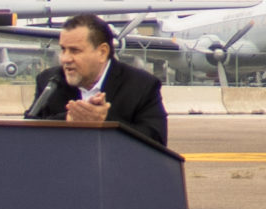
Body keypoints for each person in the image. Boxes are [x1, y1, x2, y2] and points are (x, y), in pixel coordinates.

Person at [27, 14, 169, 147]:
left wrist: (105, 122)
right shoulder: (49, 81)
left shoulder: (141, 85)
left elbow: (156, 142)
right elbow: (26, 134)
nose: (65, 59)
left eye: (75, 51)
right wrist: (69, 120)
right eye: (63, 49)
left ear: (102, 52)